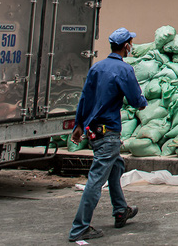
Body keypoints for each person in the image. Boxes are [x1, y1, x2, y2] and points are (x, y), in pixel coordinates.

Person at [68, 27, 148, 242]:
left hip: (94, 131)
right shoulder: (123, 70)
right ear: (126, 46)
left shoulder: (97, 68)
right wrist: (142, 103)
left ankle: (121, 210)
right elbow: (135, 99)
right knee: (96, 181)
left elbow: (85, 98)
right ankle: (79, 228)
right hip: (109, 132)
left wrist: (78, 125)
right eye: (131, 43)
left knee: (116, 167)